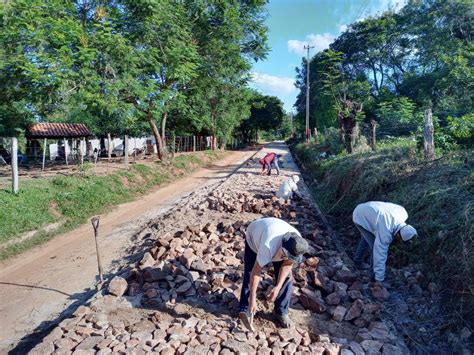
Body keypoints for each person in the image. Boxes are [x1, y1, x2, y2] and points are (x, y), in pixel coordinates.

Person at [239, 217, 309, 329]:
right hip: (254, 236)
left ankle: (281, 312)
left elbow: (287, 264)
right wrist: (253, 299)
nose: (287, 258)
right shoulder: (268, 245)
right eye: (286, 255)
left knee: (287, 278)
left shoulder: (297, 244)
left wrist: (277, 287)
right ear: (283, 247)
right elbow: (256, 273)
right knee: (249, 272)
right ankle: (246, 308)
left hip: (277, 239)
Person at [352, 201, 417, 284]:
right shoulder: (386, 231)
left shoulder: (403, 213)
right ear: (398, 235)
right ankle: (373, 277)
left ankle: (358, 261)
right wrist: (380, 279)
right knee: (374, 246)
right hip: (360, 215)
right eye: (399, 239)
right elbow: (380, 254)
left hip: (369, 209)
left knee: (366, 238)